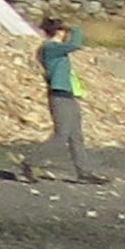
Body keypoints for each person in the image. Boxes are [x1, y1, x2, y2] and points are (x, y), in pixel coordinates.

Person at [33, 13, 101, 184]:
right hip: (59, 94)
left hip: (68, 93)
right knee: (62, 134)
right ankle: (30, 161)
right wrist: (75, 28)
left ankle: (84, 172)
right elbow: (76, 44)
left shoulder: (55, 48)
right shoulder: (50, 47)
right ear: (59, 32)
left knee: (76, 135)